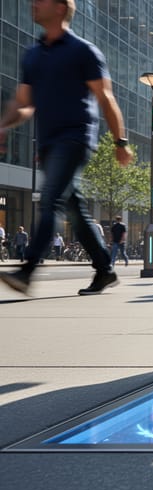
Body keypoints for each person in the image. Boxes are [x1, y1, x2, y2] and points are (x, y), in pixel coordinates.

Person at [0, 0, 131, 296]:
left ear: (60, 8)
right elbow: (24, 103)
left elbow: (105, 98)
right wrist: (5, 125)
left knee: (50, 201)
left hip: (75, 138)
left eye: (41, 0)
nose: (34, 4)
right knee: (75, 210)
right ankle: (104, 269)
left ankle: (27, 269)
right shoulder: (33, 55)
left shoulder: (83, 51)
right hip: (47, 142)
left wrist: (120, 141)